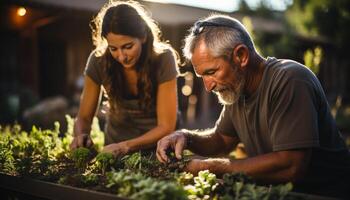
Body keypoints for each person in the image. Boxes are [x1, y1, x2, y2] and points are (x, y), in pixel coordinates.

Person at [156, 14, 350, 198]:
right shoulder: (236, 89)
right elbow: (221, 141)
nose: (208, 86)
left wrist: (210, 167)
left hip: (326, 193)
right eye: (202, 76)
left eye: (212, 72)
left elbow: (291, 165)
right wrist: (185, 137)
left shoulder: (290, 80)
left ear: (241, 56)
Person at [70, 0, 179, 158]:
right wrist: (80, 135)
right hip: (114, 147)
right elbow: (84, 117)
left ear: (142, 37)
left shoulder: (163, 59)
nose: (121, 57)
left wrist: (126, 146)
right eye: (113, 48)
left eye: (128, 47)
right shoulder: (98, 61)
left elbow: (166, 126)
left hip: (158, 150)